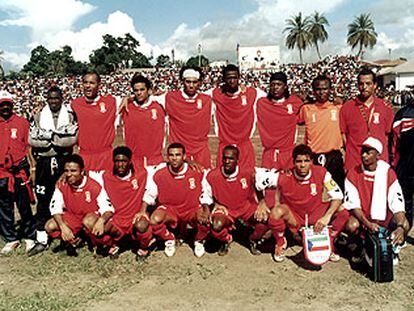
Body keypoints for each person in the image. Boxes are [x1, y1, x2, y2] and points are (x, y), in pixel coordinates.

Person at [256, 144, 348, 262]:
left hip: (315, 214)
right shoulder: (284, 175)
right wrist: (261, 202)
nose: (303, 165)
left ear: (312, 161)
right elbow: (257, 179)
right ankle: (280, 242)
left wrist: (326, 216)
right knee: (276, 212)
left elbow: (338, 195)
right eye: (299, 161)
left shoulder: (321, 172)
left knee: (342, 211)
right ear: (293, 162)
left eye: (306, 161)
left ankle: (329, 242)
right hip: (295, 217)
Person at [28, 86, 78, 256]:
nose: (54, 101)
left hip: (63, 160)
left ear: (62, 99)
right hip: (43, 161)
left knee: (66, 197)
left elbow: (71, 139)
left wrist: (49, 138)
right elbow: (32, 140)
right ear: (47, 99)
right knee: (42, 199)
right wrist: (57, 137)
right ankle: (42, 239)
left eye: (57, 98)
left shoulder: (70, 115)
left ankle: (68, 234)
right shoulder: (38, 115)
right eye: (51, 98)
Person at [344, 137, 409, 263]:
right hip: (363, 217)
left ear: (378, 155)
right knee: (352, 226)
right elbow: (354, 204)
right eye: (363, 151)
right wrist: (367, 223)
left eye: (368, 152)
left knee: (405, 223)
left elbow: (396, 201)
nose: (364, 155)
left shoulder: (388, 173)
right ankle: (358, 249)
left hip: (383, 218)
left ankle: (393, 247)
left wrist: (400, 226)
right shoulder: (353, 173)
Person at [140, 143, 210, 257]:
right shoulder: (159, 173)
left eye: (178, 155)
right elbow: (150, 193)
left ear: (184, 157)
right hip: (170, 209)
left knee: (205, 219)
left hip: (191, 209)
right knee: (154, 220)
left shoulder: (196, 171)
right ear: (167, 157)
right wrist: (143, 211)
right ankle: (169, 239)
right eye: (171, 155)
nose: (174, 158)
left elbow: (206, 191)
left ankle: (198, 241)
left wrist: (206, 209)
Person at [200, 145, 271, 256]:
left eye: (231, 158)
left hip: (245, 207)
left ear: (237, 160)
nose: (227, 161)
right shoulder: (212, 176)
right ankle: (226, 239)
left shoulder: (247, 171)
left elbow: (263, 179)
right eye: (225, 158)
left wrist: (262, 202)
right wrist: (213, 205)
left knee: (266, 219)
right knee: (216, 225)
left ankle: (253, 239)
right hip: (226, 209)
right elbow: (206, 194)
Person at [86, 147, 152, 260]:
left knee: (142, 225)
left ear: (130, 161)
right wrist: (63, 176)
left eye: (124, 161)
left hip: (134, 217)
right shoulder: (105, 176)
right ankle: (112, 245)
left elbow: (165, 168)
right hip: (116, 219)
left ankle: (143, 248)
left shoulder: (142, 173)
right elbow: (84, 172)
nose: (120, 164)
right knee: (94, 225)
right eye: (117, 161)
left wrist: (143, 210)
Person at [44, 154, 113, 256]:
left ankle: (101, 244)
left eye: (73, 171)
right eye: (66, 171)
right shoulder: (62, 185)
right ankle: (72, 239)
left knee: (89, 221)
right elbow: (55, 208)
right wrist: (63, 227)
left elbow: (108, 209)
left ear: (82, 171)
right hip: (73, 218)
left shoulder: (94, 185)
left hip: (90, 217)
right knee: (49, 226)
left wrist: (101, 221)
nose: (69, 174)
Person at [256, 72, 302, 208]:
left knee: (290, 192)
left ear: (285, 87)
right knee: (269, 194)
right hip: (269, 154)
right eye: (273, 85)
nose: (275, 88)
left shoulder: (295, 103)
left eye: (279, 85)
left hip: (288, 153)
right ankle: (271, 224)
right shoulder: (261, 103)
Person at [0, 91, 37, 254]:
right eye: (2, 105)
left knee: (24, 205)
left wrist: (32, 167)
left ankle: (30, 235)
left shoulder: (22, 122)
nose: (5, 107)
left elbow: (29, 146)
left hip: (20, 171)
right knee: (4, 206)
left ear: (12, 105)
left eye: (8, 104)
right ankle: (11, 238)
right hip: (1, 172)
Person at [209, 64, 265, 171]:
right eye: (229, 78)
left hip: (244, 146)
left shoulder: (252, 93)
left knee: (247, 181)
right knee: (223, 182)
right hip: (224, 147)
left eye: (234, 77)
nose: (232, 81)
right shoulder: (215, 94)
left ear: (239, 78)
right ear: (224, 79)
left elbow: (272, 98)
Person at [340, 68, 394, 172]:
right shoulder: (347, 107)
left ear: (375, 85)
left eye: (368, 83)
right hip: (355, 163)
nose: (364, 87)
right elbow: (343, 136)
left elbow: (387, 136)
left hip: (379, 162)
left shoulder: (385, 107)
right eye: (361, 84)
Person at [299, 75, 345, 189]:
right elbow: (293, 119)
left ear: (330, 90)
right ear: (313, 91)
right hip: (314, 156)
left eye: (325, 89)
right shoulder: (306, 109)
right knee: (314, 191)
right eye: (318, 89)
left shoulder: (338, 108)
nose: (321, 92)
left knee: (337, 190)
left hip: (334, 156)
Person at [70, 71, 118, 171]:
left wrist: (128, 98)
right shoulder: (75, 104)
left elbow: (135, 99)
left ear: (99, 85)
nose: (88, 86)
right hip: (85, 156)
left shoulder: (111, 101)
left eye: (92, 83)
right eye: (85, 82)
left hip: (106, 156)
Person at [121, 75, 165, 169]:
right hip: (134, 162)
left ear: (148, 90)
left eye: (142, 89)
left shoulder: (160, 105)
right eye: (136, 90)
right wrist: (126, 99)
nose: (139, 93)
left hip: (156, 162)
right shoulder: (126, 107)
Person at [391, 92, 414, 228]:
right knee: (406, 205)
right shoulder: (404, 115)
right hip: (406, 169)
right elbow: (393, 144)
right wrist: (394, 166)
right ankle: (403, 234)